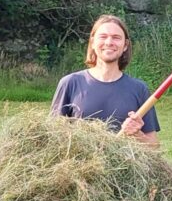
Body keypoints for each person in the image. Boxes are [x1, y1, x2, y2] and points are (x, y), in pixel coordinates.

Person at [51, 14, 160, 146]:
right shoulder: (70, 83)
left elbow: (154, 147)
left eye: (116, 37)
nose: (109, 42)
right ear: (92, 42)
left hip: (123, 160)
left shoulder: (139, 89)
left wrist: (138, 134)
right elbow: (52, 138)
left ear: (125, 45)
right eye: (103, 36)